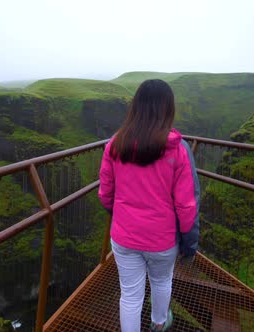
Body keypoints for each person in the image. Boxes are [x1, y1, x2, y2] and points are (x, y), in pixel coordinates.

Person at [98, 79, 200, 332]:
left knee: (130, 295)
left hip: (124, 236)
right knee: (162, 280)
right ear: (168, 108)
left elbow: (105, 194)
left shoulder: (115, 145)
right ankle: (158, 323)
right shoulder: (178, 150)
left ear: (136, 107)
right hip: (162, 240)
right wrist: (189, 242)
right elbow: (186, 205)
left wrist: (121, 215)